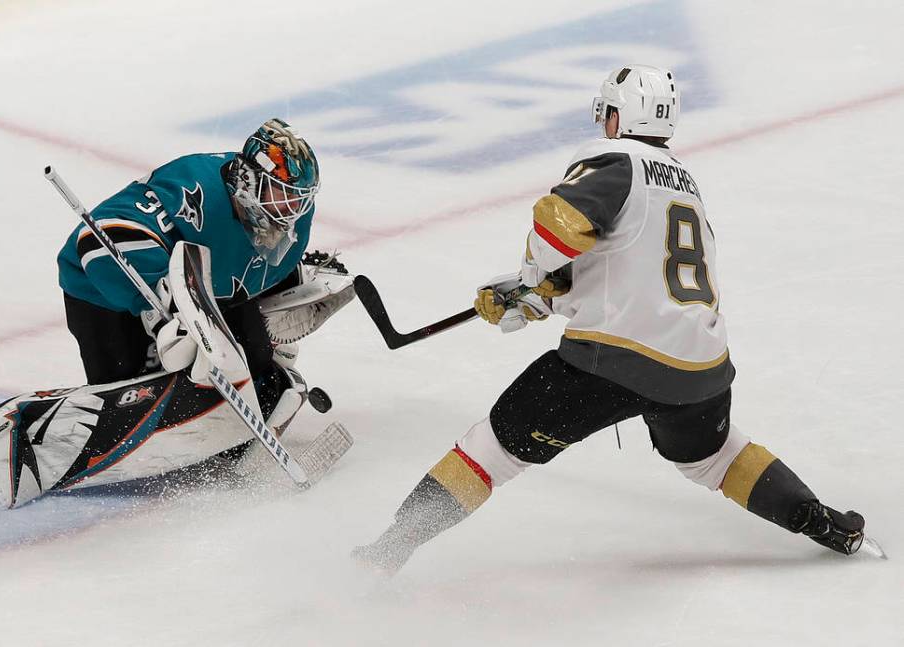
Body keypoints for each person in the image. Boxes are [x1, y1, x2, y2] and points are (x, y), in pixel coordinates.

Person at [353, 65, 872, 574]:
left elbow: (561, 226)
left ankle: (387, 551)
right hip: (702, 372)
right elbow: (631, 273)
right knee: (713, 458)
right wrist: (539, 298)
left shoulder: (615, 159)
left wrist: (533, 277)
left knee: (493, 448)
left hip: (612, 363)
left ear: (619, 119)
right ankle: (819, 521)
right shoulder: (684, 186)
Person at [0, 118, 354, 507]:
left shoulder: (290, 221)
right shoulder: (193, 186)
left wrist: (291, 283)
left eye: (300, 198)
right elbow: (99, 240)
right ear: (248, 180)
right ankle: (16, 439)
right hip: (105, 294)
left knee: (256, 367)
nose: (293, 209)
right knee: (137, 400)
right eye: (283, 194)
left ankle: (230, 443)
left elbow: (250, 269)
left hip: (204, 294)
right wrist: (162, 311)